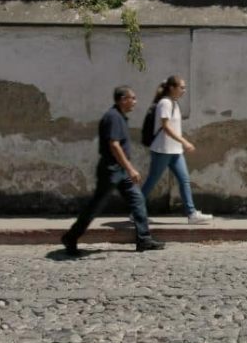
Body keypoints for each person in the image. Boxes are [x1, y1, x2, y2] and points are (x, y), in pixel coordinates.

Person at [62, 86, 165, 254]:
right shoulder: (113, 117)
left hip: (120, 171)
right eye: (133, 98)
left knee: (137, 200)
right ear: (123, 99)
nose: (135, 101)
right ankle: (71, 237)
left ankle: (144, 239)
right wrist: (130, 168)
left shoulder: (120, 117)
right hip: (111, 170)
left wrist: (126, 170)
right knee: (95, 207)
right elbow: (114, 145)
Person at [141, 75, 213, 225]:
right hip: (162, 150)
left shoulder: (174, 103)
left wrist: (180, 144)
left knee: (184, 180)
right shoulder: (165, 103)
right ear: (172, 88)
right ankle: (136, 212)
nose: (184, 90)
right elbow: (166, 127)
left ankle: (192, 214)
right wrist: (184, 141)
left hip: (175, 151)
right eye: (182, 87)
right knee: (152, 181)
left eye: (184, 87)